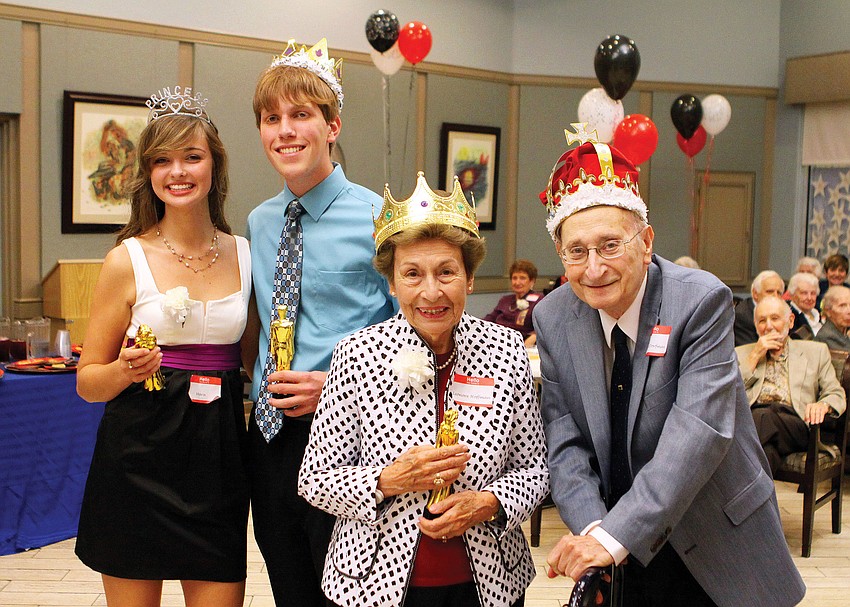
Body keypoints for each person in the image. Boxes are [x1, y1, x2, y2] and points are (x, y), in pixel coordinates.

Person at [534, 127, 805, 607]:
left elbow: (697, 434)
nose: (593, 268)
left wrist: (611, 536)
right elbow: (565, 439)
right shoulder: (553, 317)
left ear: (646, 242)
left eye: (610, 245)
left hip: (716, 540)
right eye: (576, 251)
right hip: (618, 547)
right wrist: (595, 530)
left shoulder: (699, 301)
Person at [298, 172, 549, 607]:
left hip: (491, 583)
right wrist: (387, 480)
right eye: (412, 274)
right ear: (392, 284)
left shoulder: (506, 349)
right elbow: (315, 479)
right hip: (372, 583)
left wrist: (491, 502)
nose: (431, 292)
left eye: (446, 272)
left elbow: (536, 468)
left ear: (469, 278)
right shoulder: (357, 354)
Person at [75, 86, 250, 606]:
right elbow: (88, 383)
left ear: (214, 164)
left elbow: (258, 362)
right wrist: (125, 371)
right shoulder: (125, 260)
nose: (178, 171)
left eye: (192, 156)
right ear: (149, 172)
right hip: (135, 462)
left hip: (217, 464)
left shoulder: (245, 254)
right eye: (162, 160)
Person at [242, 38, 396, 606]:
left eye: (301, 115)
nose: (285, 131)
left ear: (332, 126)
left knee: (351, 594)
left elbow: (419, 342)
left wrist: (335, 387)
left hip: (352, 441)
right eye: (271, 119)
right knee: (290, 588)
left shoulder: (380, 219)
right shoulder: (260, 223)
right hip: (270, 440)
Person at [735, 296, 845, 474]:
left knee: (763, 417)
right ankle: (756, 492)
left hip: (795, 424)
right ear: (755, 326)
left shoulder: (815, 352)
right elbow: (728, 395)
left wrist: (823, 404)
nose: (768, 326)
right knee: (767, 452)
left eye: (775, 318)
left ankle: (731, 465)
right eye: (762, 321)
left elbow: (835, 392)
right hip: (757, 421)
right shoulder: (742, 354)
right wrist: (754, 357)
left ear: (791, 321)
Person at [483, 259, 543, 346]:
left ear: (532, 281)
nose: (517, 282)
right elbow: (489, 319)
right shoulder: (505, 300)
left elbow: (543, 327)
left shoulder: (538, 300)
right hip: (496, 340)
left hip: (519, 344)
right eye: (514, 278)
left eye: (522, 278)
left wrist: (533, 337)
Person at [733, 270, 785, 346]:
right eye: (770, 292)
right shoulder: (742, 316)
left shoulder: (783, 312)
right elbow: (750, 349)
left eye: (779, 293)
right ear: (755, 294)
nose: (775, 296)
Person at [815, 285, 850, 351]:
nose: (849, 311)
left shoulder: (842, 330)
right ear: (828, 311)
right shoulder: (828, 337)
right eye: (842, 306)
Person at [787, 271, 822, 337]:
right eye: (804, 293)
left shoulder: (818, 313)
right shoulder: (789, 316)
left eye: (813, 293)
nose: (809, 298)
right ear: (792, 295)